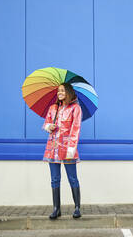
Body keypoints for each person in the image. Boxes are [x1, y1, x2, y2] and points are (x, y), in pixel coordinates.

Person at [42, 82, 82, 220]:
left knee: (72, 178)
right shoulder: (53, 108)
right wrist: (48, 126)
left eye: (63, 91)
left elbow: (75, 128)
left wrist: (72, 148)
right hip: (53, 149)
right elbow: (45, 123)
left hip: (67, 149)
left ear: (69, 93)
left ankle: (77, 208)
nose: (60, 93)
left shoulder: (75, 108)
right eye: (58, 91)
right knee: (54, 179)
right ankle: (56, 209)